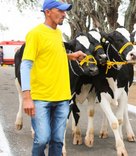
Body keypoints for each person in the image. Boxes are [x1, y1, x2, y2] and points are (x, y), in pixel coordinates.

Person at [20, 0, 86, 155]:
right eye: (60, 11)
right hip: (41, 98)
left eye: (65, 11)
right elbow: (26, 65)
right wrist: (27, 98)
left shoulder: (58, 33)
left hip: (62, 97)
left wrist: (71, 56)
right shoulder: (35, 34)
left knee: (57, 141)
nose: (64, 14)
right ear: (47, 12)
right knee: (42, 139)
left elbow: (52, 54)